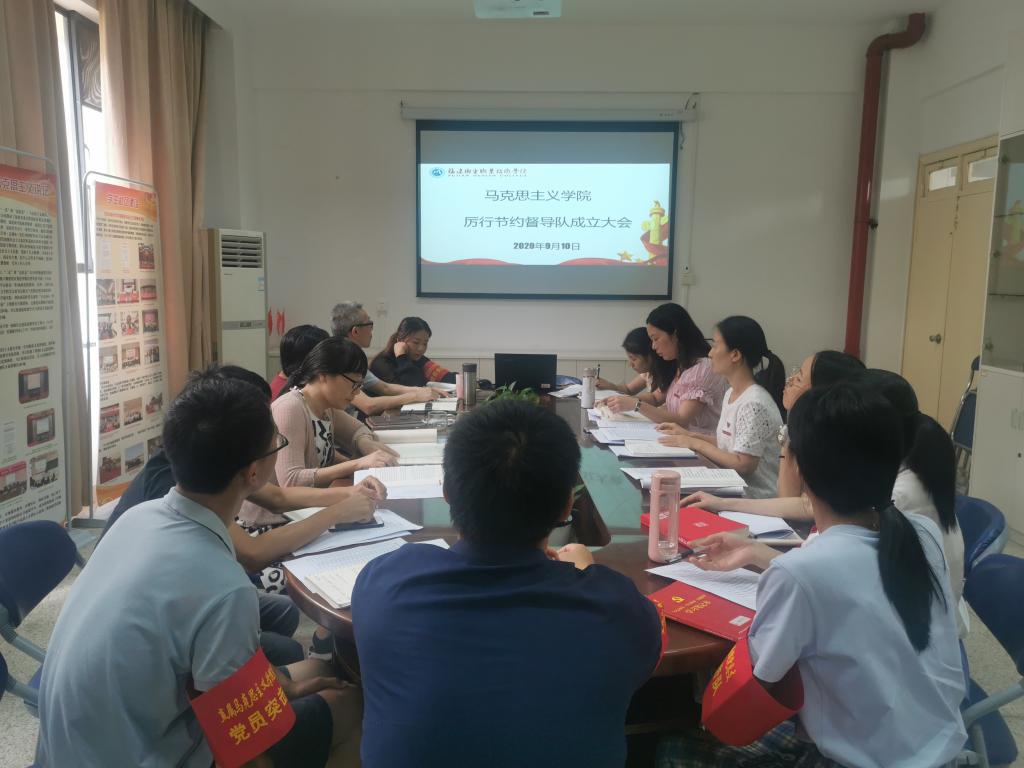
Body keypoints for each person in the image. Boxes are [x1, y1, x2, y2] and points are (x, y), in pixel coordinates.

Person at [39, 371, 362, 767]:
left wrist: (283, 690)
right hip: (150, 755)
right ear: (254, 473)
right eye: (277, 443)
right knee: (351, 705)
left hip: (76, 748)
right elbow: (246, 755)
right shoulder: (224, 588)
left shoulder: (138, 517)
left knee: (317, 668)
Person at [657, 382, 965, 768]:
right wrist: (756, 552)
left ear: (799, 466)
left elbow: (756, 684)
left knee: (674, 747)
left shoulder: (802, 574)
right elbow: (844, 578)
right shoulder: (922, 532)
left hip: (855, 759)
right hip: (934, 749)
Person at [352, 400, 662, 767]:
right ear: (567, 506)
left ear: (447, 492)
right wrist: (584, 575)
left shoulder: (385, 582)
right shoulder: (616, 608)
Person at [100, 365, 385, 665]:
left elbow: (277, 497)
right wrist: (336, 513)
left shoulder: (202, 465)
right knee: (292, 655)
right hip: (157, 631)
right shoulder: (215, 559)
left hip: (149, 614)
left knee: (284, 614)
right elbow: (252, 553)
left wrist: (347, 495)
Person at [683, 349, 864, 520]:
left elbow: (802, 505)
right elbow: (791, 499)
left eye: (799, 378)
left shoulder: (833, 445)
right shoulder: (798, 430)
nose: (789, 380)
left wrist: (723, 503)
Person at [238, 338, 396, 531]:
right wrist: (357, 464)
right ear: (323, 375)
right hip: (272, 523)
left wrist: (366, 444)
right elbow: (292, 480)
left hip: (304, 514)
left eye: (360, 385)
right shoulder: (290, 408)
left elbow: (359, 430)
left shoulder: (326, 407)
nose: (356, 393)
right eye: (354, 384)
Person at [861, 368, 968, 637]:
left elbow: (842, 569)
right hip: (920, 620)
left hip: (922, 637)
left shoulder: (901, 496)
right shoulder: (907, 469)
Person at [658, 315, 785, 498]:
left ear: (735, 355)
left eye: (716, 346)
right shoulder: (731, 393)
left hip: (753, 498)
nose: (710, 353)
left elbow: (744, 465)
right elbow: (728, 444)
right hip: (731, 488)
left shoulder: (754, 403)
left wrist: (694, 443)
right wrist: (687, 434)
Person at [602, 303, 727, 433]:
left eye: (656, 339)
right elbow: (656, 398)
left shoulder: (703, 367)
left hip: (697, 443)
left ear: (675, 334)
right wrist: (621, 401)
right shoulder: (679, 364)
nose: (653, 346)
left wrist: (636, 405)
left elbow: (682, 419)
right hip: (677, 439)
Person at [331, 301, 442, 414]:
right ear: (355, 331)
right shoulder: (340, 358)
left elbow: (385, 388)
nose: (372, 329)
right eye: (369, 324)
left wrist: (424, 391)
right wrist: (415, 396)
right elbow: (368, 406)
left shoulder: (354, 357)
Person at [370, 316, 456, 387]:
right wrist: (401, 356)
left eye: (425, 343)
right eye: (416, 342)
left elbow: (448, 378)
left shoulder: (418, 358)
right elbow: (412, 387)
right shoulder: (382, 363)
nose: (421, 348)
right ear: (400, 340)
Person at [596, 327, 657, 396]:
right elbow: (628, 390)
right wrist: (610, 386)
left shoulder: (664, 376)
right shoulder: (647, 373)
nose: (630, 364)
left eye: (634, 359)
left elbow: (654, 399)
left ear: (650, 356)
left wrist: (631, 400)